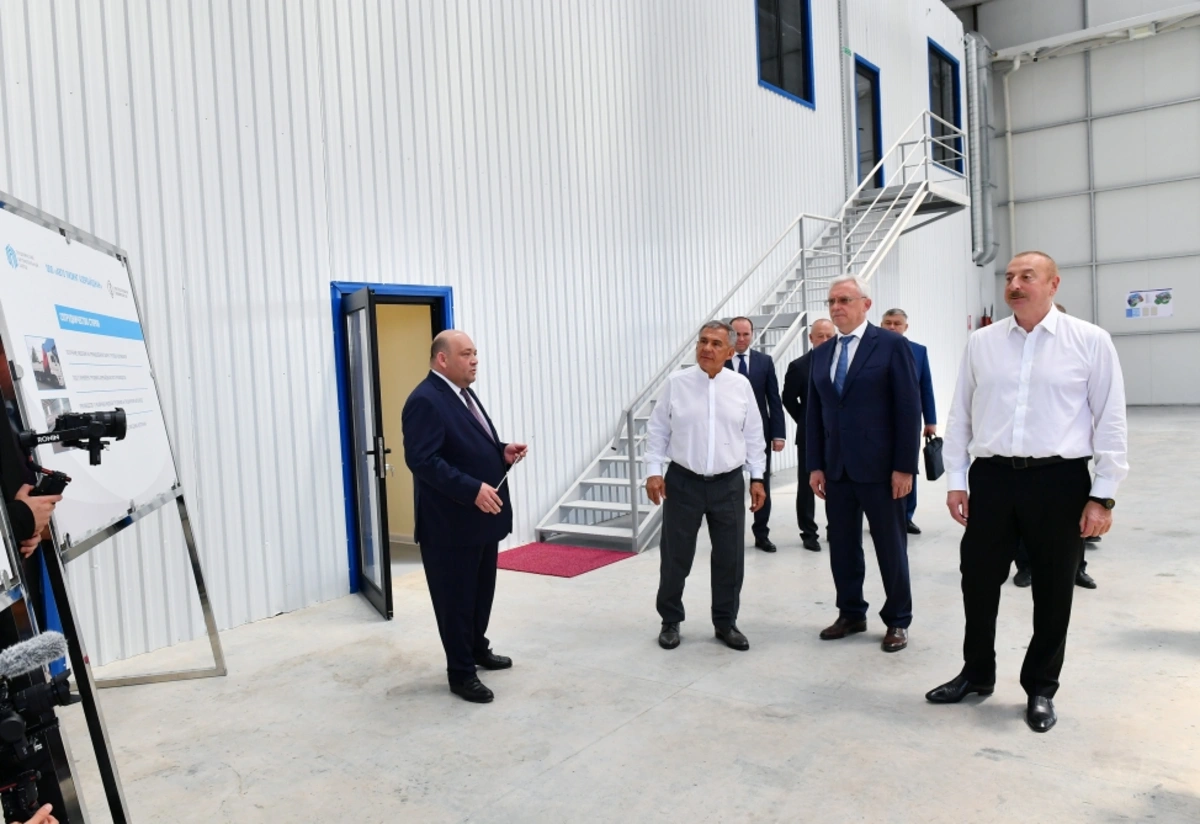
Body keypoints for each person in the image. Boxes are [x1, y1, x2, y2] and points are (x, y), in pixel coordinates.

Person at [927, 251, 1127, 734]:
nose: (1014, 284)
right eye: (1010, 277)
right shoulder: (983, 342)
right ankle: (977, 673)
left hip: (1059, 481)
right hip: (992, 478)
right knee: (977, 579)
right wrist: (956, 480)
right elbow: (961, 415)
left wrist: (1103, 494)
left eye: (1027, 276)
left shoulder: (1090, 341)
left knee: (1054, 587)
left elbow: (1111, 420)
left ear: (1053, 284)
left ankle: (1041, 687)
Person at [401, 331, 527, 704]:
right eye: (466, 354)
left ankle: (476, 648)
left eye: (475, 353)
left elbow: (463, 446)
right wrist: (472, 489)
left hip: (479, 522)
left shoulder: (462, 394)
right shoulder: (425, 400)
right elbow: (423, 460)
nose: (474, 360)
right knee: (455, 602)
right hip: (450, 526)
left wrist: (501, 451)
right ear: (442, 359)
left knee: (480, 594)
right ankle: (460, 673)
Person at [807, 277, 921, 653]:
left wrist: (904, 467)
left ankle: (898, 619)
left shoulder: (890, 345)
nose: (836, 307)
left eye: (844, 300)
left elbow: (909, 409)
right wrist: (815, 465)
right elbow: (815, 413)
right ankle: (851, 612)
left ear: (865, 304)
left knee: (890, 547)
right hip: (837, 469)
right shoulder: (822, 353)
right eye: (831, 301)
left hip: (882, 470)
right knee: (842, 546)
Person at [646, 321, 767, 652]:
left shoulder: (740, 386)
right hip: (683, 482)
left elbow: (754, 435)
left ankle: (725, 622)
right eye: (702, 342)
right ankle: (670, 620)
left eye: (715, 344)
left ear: (729, 352)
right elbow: (657, 430)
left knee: (730, 557)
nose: (707, 349)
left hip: (728, 484)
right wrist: (654, 471)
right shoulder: (677, 383)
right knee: (676, 556)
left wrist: (757, 478)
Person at [725, 317, 786, 552]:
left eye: (746, 334)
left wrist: (778, 434)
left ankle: (761, 534)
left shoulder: (764, 361)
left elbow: (774, 399)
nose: (741, 339)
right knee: (729, 486)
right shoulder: (721, 360)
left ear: (753, 334)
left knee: (760, 483)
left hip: (759, 433)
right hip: (728, 434)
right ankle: (730, 535)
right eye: (737, 334)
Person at [880, 309, 937, 535]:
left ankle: (906, 516)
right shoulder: (871, 350)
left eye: (897, 323)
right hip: (878, 420)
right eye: (888, 323)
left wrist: (930, 420)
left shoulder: (918, 351)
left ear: (906, 327)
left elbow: (926, 386)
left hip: (909, 421)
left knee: (908, 467)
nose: (892, 327)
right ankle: (881, 515)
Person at [781, 319, 836, 551]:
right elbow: (788, 398)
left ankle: (835, 528)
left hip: (837, 437)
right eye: (820, 336)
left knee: (837, 484)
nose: (825, 340)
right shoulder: (799, 366)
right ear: (811, 338)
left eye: (829, 336)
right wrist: (805, 421)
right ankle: (808, 533)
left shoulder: (843, 364)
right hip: (809, 437)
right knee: (806, 486)